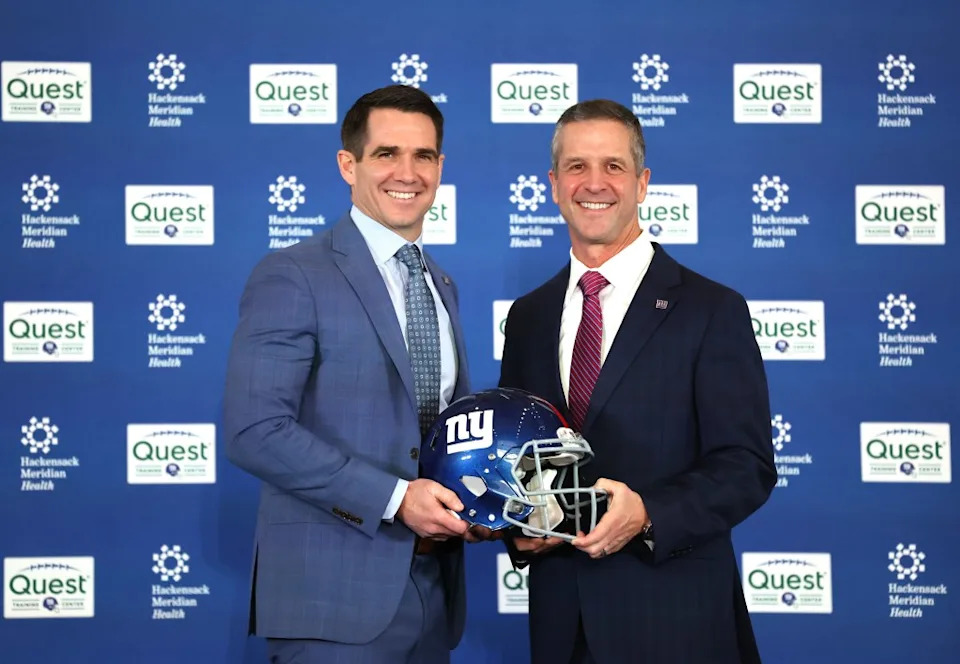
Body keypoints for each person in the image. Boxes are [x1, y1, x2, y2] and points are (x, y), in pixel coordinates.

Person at [498, 99, 777, 664]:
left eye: (613, 166)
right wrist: (517, 530)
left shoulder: (710, 309)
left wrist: (649, 512)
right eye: (576, 167)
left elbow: (746, 466)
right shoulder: (528, 316)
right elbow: (519, 456)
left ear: (643, 182)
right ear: (553, 185)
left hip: (674, 621)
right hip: (559, 622)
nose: (593, 183)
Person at [223, 84, 478, 664]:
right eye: (387, 153)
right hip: (331, 604)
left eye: (423, 156)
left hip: (433, 596)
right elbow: (254, 429)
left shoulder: (441, 285)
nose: (407, 173)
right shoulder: (293, 273)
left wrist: (475, 506)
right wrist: (395, 499)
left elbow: (442, 434)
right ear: (349, 164)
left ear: (440, 167)